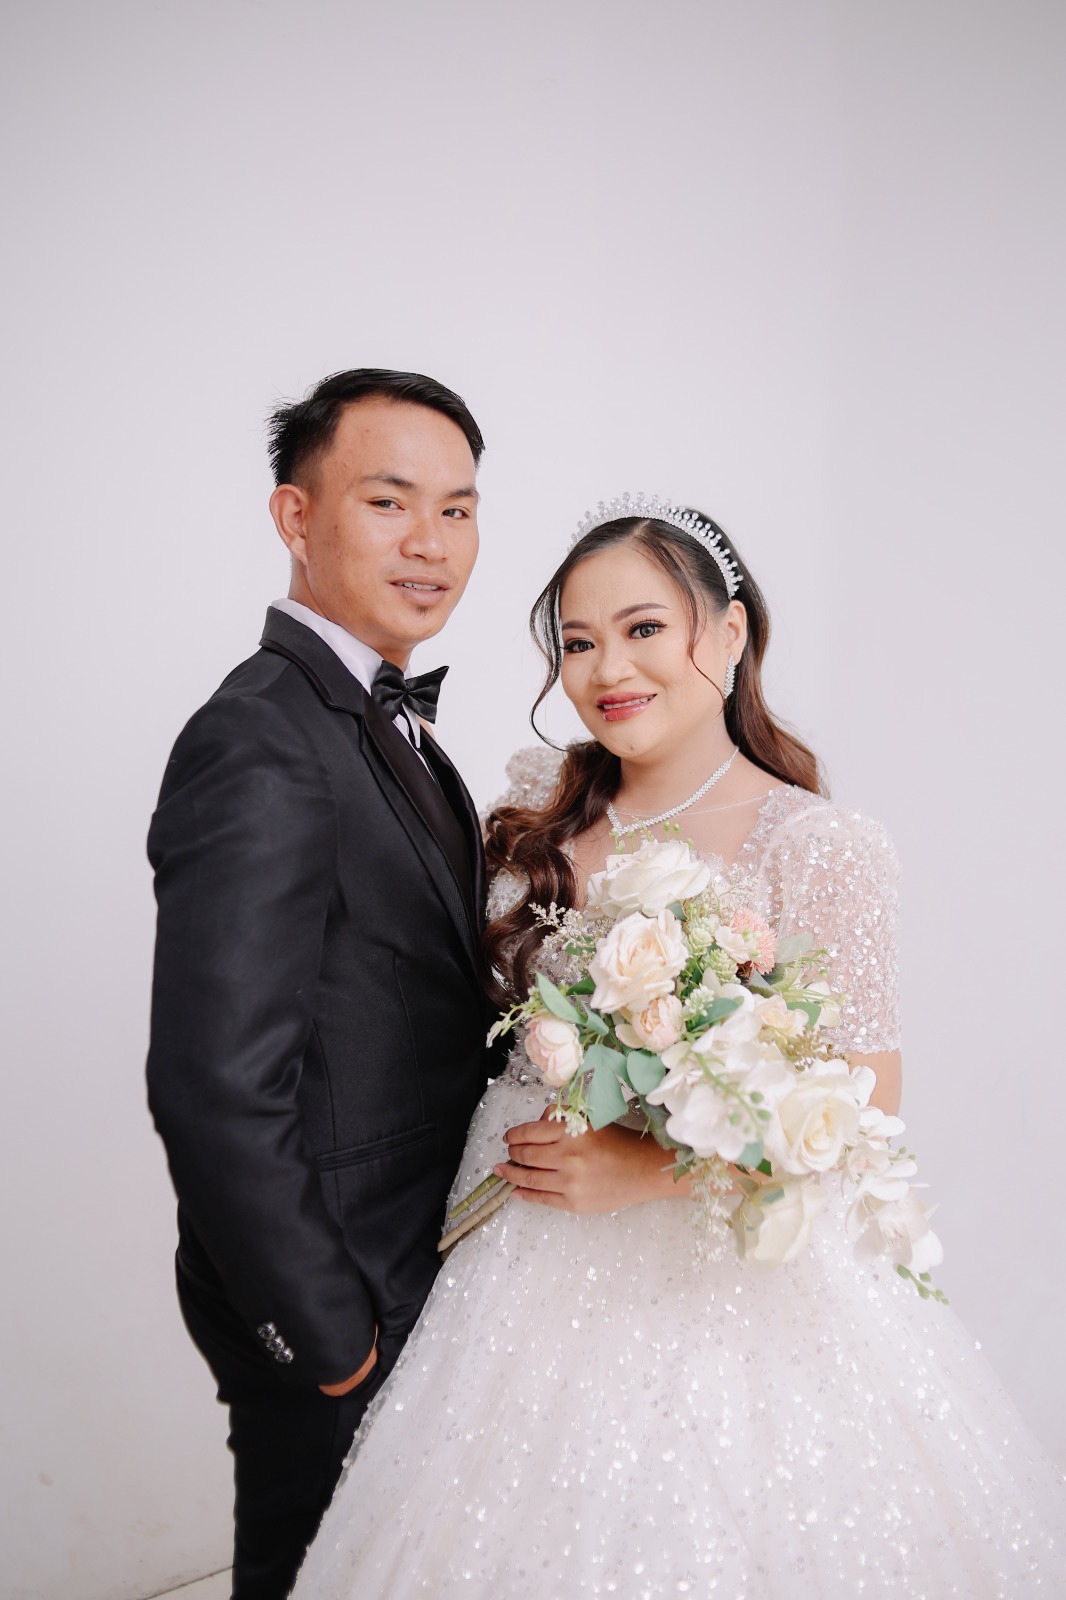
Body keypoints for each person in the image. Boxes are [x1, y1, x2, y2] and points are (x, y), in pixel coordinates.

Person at [292, 495, 1064, 1598]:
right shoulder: (536, 806)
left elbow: (864, 1105)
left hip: (720, 1262)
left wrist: (645, 1168)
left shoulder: (820, 845)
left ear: (730, 631)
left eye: (644, 627)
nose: (608, 667)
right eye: (577, 641)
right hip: (510, 1237)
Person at [146, 368, 498, 1599]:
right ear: (295, 518)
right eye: (388, 501)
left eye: (457, 509)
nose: (430, 543)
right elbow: (213, 1086)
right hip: (338, 1299)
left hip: (420, 1266)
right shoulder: (259, 735)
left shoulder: (379, 720)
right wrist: (327, 1337)